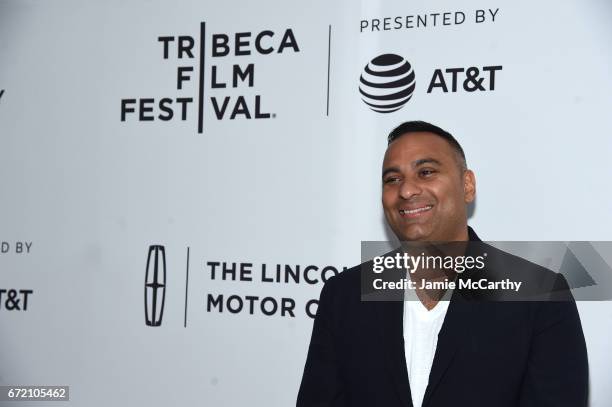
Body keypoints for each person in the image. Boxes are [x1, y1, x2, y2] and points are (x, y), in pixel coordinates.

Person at [297, 121, 588, 407]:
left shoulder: (540, 296)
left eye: (426, 172)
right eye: (392, 179)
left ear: (467, 185)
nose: (407, 190)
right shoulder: (344, 295)